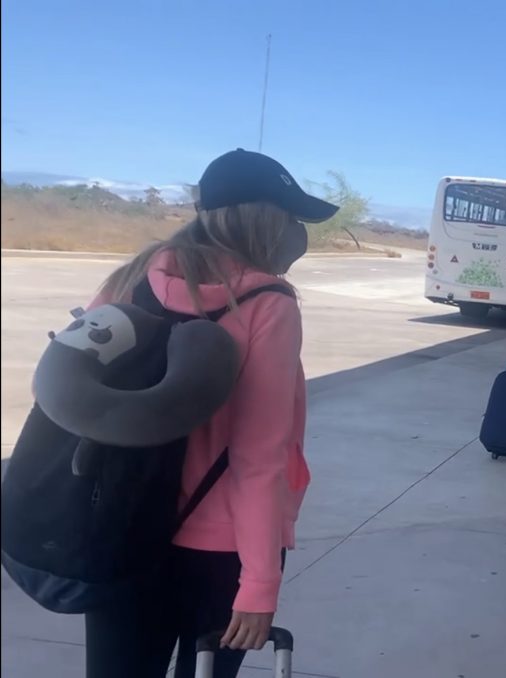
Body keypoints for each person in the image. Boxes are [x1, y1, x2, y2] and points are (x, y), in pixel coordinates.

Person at [83, 149, 337, 678]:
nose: (296, 232)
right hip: (221, 553)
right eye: (291, 216)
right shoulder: (267, 303)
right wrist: (260, 582)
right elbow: (258, 456)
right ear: (262, 218)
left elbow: (78, 400)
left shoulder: (130, 278)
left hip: (122, 530)